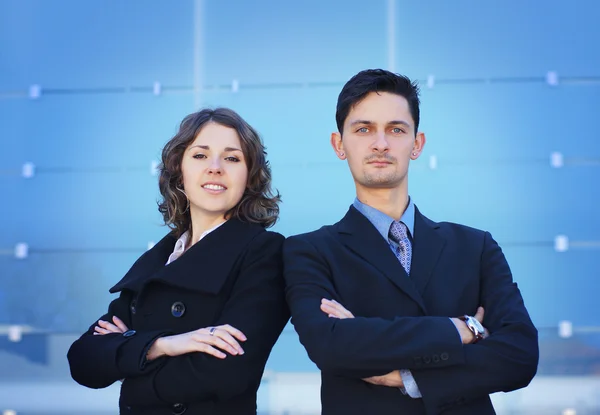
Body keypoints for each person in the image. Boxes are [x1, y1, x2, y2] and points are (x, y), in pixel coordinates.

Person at [283, 69, 539, 415]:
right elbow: (331, 346)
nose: (380, 144)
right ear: (339, 145)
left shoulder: (475, 247)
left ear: (417, 144)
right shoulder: (309, 251)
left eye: (396, 129)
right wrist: (460, 329)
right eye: (363, 129)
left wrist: (410, 377)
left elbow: (519, 354)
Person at [67, 107, 289, 415]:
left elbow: (227, 373)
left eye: (232, 158)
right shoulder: (159, 260)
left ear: (249, 177)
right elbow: (83, 360)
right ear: (178, 172)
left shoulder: (264, 252)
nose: (215, 167)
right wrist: (162, 345)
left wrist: (130, 370)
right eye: (200, 155)